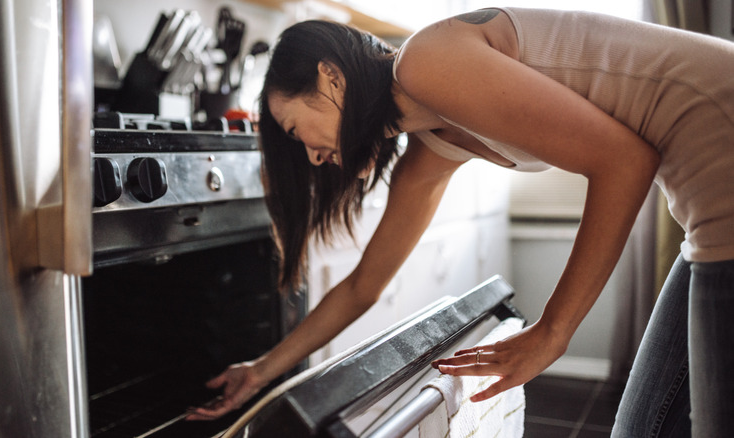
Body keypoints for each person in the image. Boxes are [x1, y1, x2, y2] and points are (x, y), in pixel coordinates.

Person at [186, 7, 734, 436]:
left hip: (723, 168)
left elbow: (623, 162)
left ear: (330, 78)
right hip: (706, 203)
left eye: (291, 129)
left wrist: (552, 332)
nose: (307, 156)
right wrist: (261, 372)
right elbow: (362, 286)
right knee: (643, 427)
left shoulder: (426, 62)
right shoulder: (431, 142)